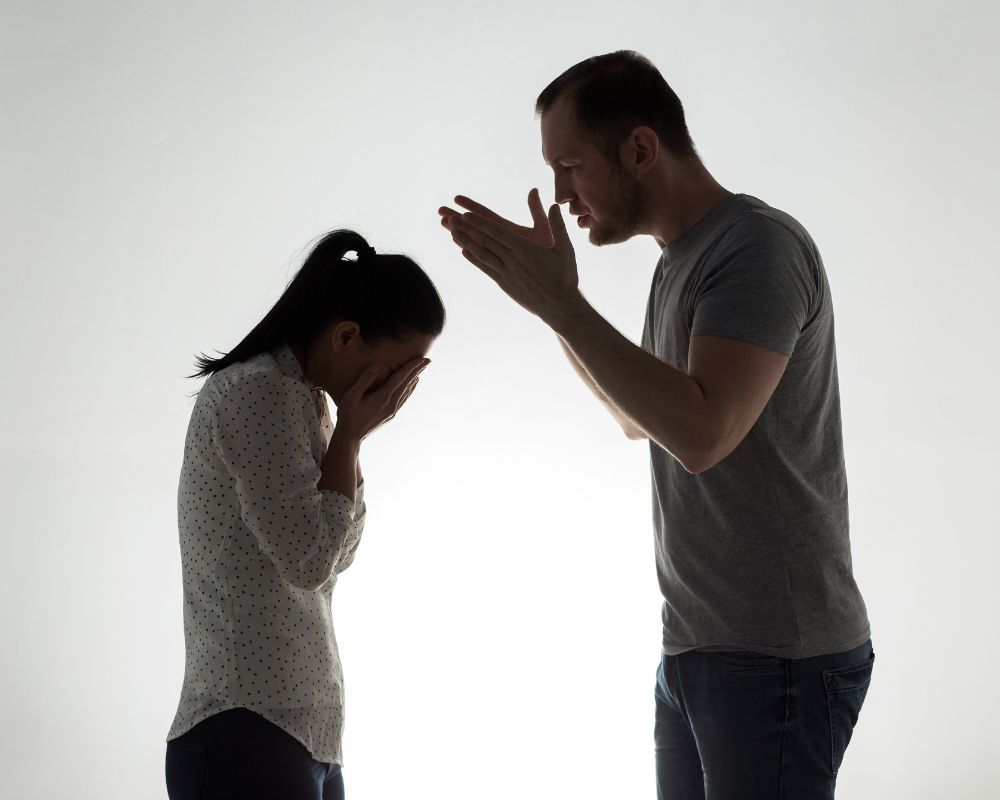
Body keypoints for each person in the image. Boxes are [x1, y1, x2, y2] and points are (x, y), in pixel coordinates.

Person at [439, 51, 872, 799]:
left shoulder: (756, 248)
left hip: (778, 659)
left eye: (570, 165)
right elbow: (638, 419)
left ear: (640, 149)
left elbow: (704, 435)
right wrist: (557, 308)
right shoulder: (679, 261)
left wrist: (563, 306)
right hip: (697, 649)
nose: (560, 192)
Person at [164, 229, 445, 800]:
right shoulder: (258, 393)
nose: (396, 391)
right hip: (245, 727)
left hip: (300, 731)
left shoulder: (306, 400)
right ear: (346, 336)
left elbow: (341, 551)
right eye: (397, 369)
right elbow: (309, 561)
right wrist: (350, 437)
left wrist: (350, 440)